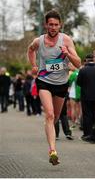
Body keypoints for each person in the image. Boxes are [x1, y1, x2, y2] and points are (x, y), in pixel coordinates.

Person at [27, 9, 81, 165]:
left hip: (61, 84)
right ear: (46, 25)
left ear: (60, 25)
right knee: (49, 114)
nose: (53, 27)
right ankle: (52, 150)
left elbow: (77, 64)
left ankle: (51, 130)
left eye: (56, 25)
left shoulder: (66, 40)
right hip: (44, 81)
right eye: (50, 24)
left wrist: (67, 54)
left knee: (55, 117)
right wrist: (34, 65)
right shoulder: (39, 41)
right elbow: (30, 50)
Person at [77, 54, 95, 140]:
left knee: (87, 115)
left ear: (86, 60)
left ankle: (87, 134)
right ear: (93, 60)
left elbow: (79, 83)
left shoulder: (82, 70)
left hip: (85, 95)